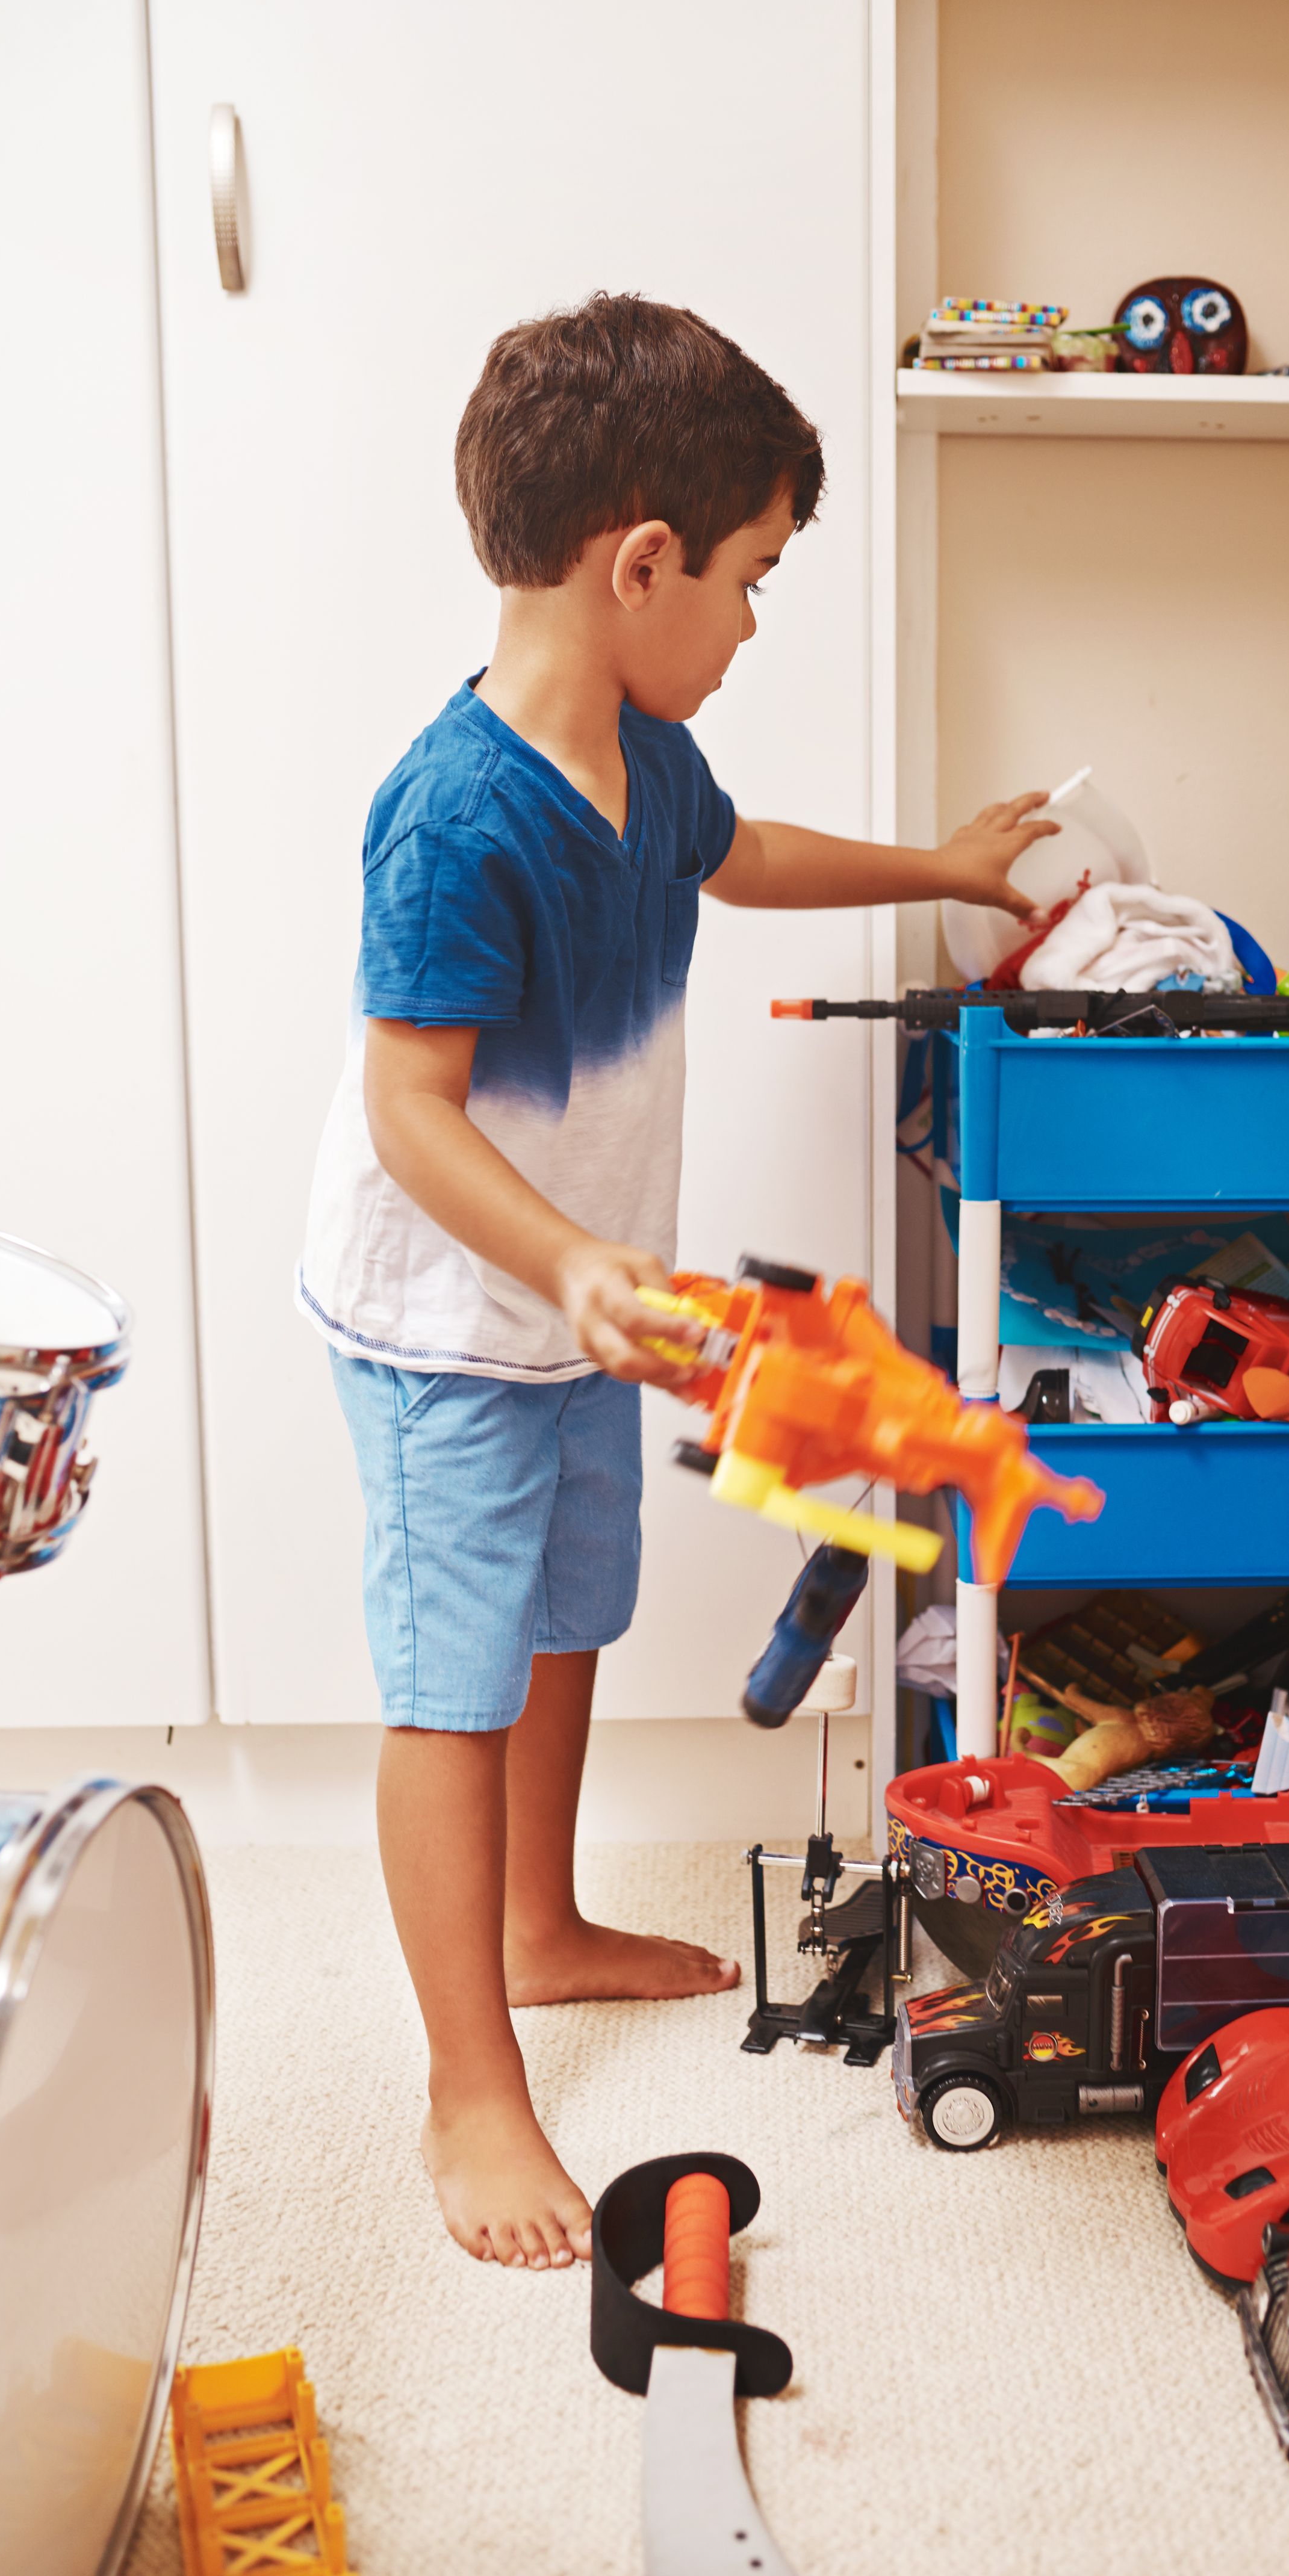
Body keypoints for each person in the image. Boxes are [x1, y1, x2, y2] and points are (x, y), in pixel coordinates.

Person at [297, 293, 1054, 2273]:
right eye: (750, 583)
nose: (747, 624)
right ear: (642, 563)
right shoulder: (460, 816)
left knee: (569, 1617)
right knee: (453, 1685)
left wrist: (946, 866)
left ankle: (539, 1930)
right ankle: (471, 2087)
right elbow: (406, 1106)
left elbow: (751, 858)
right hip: (453, 1321)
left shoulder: (642, 755)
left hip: (582, 1308)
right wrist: (561, 1261)